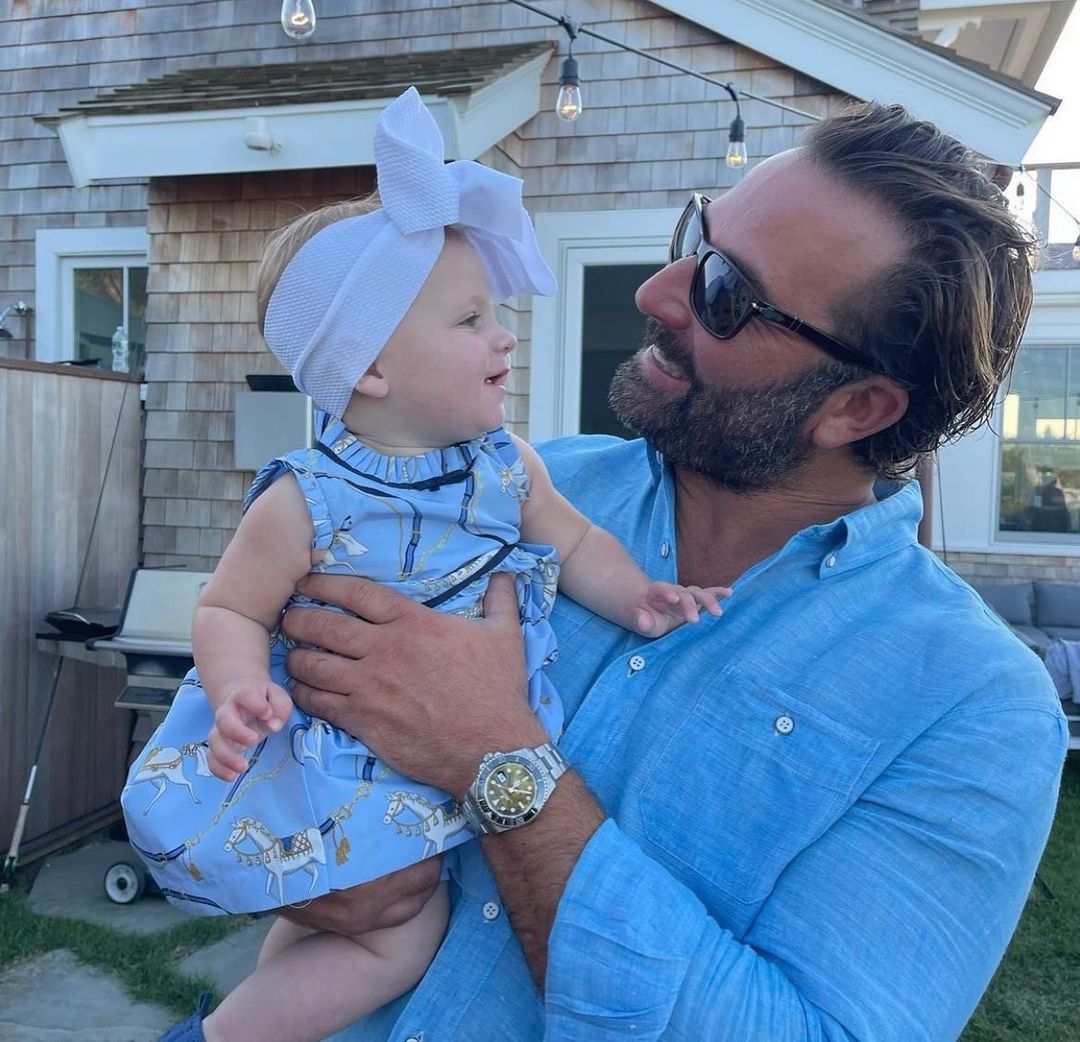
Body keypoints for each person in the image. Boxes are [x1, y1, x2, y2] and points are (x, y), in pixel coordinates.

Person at [269, 102, 1070, 1041]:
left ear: (856, 409)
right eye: (694, 236)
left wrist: (497, 759)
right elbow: (271, 706)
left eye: (725, 294)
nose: (656, 292)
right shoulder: (510, 491)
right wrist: (274, 850)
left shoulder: (972, 704)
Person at [123, 88, 724, 1042]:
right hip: (328, 758)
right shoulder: (306, 498)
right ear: (370, 368)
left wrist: (639, 595)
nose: (504, 335)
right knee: (398, 933)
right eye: (470, 319)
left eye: (496, 313)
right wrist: (237, 691)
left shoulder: (508, 466)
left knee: (359, 922)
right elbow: (229, 609)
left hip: (430, 763)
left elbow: (574, 544)